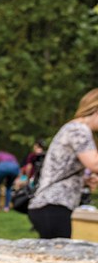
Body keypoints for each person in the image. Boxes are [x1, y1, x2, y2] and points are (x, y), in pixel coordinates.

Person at [28, 89, 98, 238]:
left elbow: (60, 169)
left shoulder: (73, 128)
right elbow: (95, 164)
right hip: (53, 205)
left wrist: (83, 181)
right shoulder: (79, 130)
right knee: (58, 257)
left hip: (50, 205)